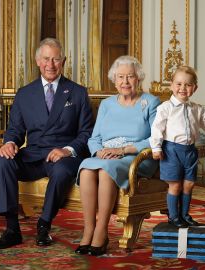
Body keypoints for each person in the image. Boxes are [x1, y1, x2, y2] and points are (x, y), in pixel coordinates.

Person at [0, 38, 93, 249]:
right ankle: (12, 229)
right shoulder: (24, 93)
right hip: (34, 154)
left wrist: (67, 150)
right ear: (38, 61)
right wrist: (9, 143)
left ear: (63, 61)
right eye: (46, 59)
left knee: (63, 170)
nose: (51, 64)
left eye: (56, 59)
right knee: (2, 161)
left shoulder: (78, 92)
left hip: (63, 156)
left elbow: (87, 133)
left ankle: (44, 225)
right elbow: (15, 131)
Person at [74, 55, 160, 256]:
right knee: (86, 168)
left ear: (138, 78)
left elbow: (156, 138)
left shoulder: (150, 102)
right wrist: (99, 151)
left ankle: (102, 231)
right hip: (106, 156)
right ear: (114, 79)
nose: (125, 82)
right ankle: (89, 229)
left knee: (106, 171)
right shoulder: (106, 104)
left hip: (136, 158)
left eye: (130, 76)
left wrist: (124, 150)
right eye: (120, 77)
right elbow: (94, 138)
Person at [149, 66, 205, 228]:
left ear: (194, 88)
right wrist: (156, 148)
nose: (183, 88)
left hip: (190, 151)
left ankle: (184, 215)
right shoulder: (165, 108)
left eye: (188, 85)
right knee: (175, 185)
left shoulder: (196, 109)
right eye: (179, 84)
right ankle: (173, 217)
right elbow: (156, 128)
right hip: (171, 151)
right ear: (172, 86)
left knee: (188, 184)